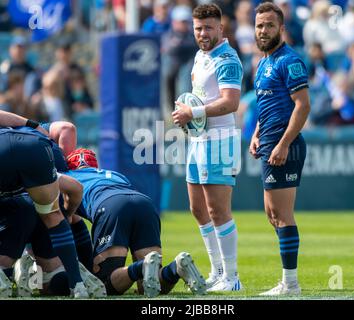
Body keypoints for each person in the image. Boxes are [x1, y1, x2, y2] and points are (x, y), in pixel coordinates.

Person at [65, 148, 206, 297]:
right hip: (144, 203)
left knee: (104, 284)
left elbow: (63, 216)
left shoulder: (68, 177)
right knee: (150, 286)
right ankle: (176, 268)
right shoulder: (114, 174)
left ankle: (140, 267)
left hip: (111, 205)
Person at [171, 3, 243, 292]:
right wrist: (186, 113)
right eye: (198, 28)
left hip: (220, 140)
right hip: (199, 139)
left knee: (217, 210)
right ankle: (216, 271)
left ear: (220, 28)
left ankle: (232, 277)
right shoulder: (201, 56)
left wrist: (193, 114)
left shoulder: (226, 58)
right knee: (198, 208)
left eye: (208, 28)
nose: (202, 33)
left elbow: (231, 102)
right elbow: (201, 98)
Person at [249, 2, 310, 296]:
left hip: (286, 145)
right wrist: (257, 133)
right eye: (259, 25)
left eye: (269, 25)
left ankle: (291, 284)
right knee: (272, 214)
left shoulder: (289, 60)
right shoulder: (263, 62)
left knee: (283, 215)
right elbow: (266, 106)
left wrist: (284, 143)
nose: (263, 30)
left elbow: (303, 105)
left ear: (281, 28)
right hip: (269, 143)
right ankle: (287, 280)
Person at [0, 111, 89, 298]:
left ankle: (8, 271)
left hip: (14, 208)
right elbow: (75, 188)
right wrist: (69, 215)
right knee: (52, 216)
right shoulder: (45, 141)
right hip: (35, 147)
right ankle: (78, 284)